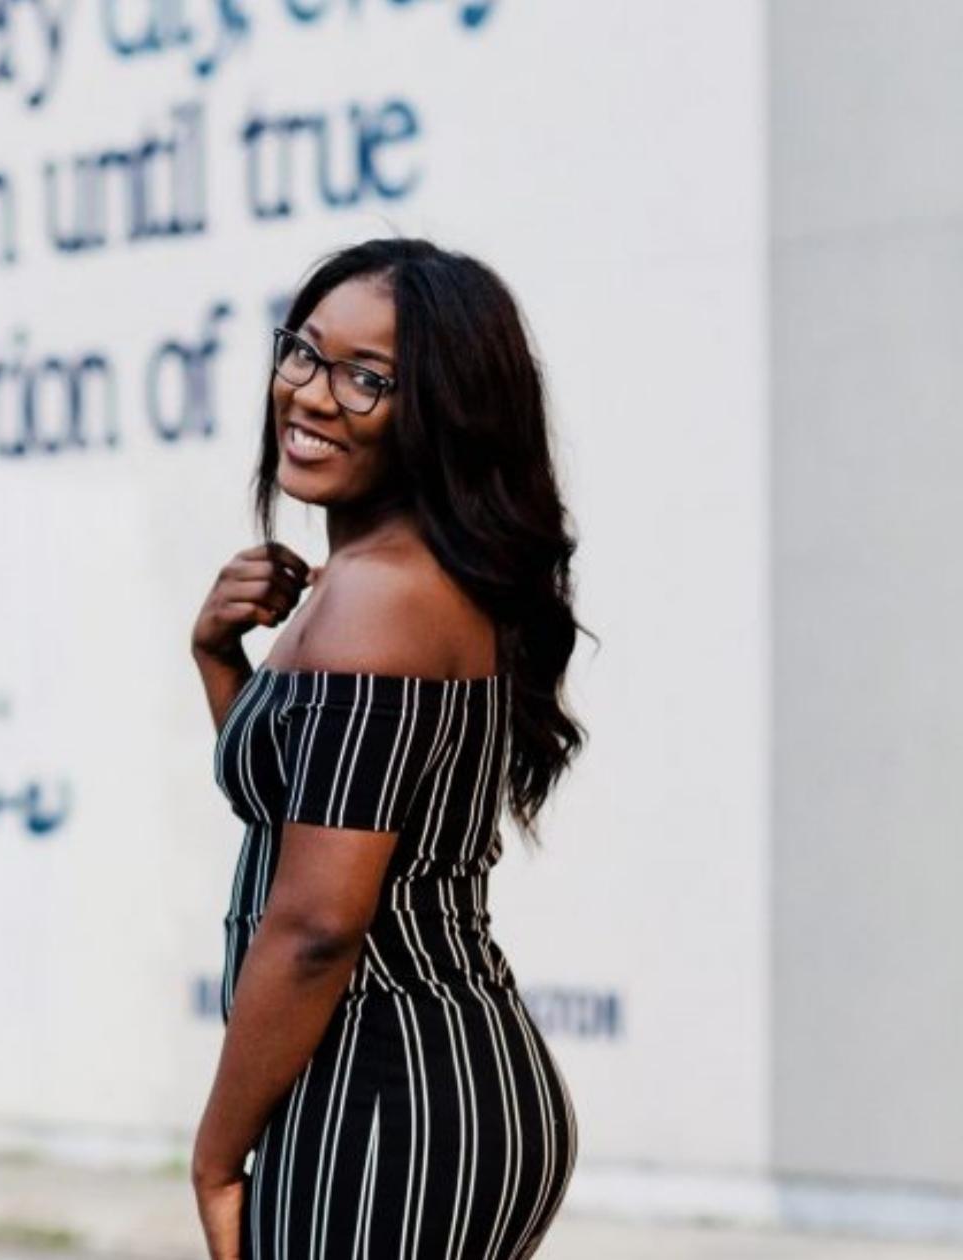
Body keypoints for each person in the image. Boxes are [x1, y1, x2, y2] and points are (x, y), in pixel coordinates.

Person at [187, 239, 585, 1260]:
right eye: (303, 354)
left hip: (383, 1098)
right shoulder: (392, 581)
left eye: (366, 378)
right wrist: (217, 659)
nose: (312, 396)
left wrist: (215, 1155)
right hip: (411, 1084)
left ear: (440, 413)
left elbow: (318, 921)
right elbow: (301, 821)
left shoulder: (379, 598)